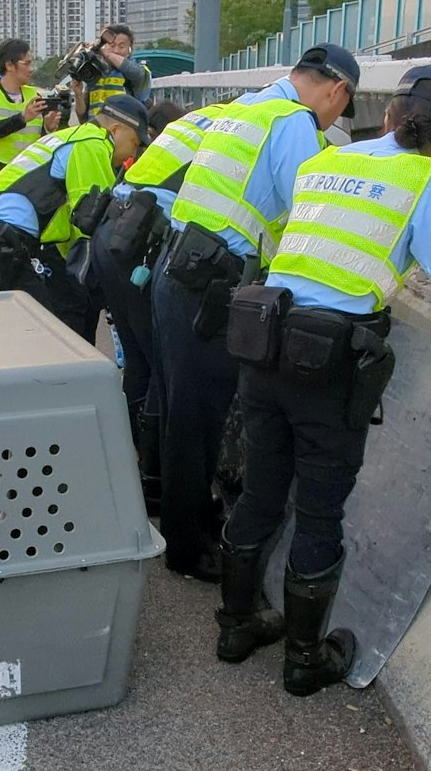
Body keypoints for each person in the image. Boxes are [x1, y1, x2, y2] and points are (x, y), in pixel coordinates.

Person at [212, 64, 431, 696]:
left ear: (387, 116)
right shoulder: (423, 182)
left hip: (265, 342)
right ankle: (305, 659)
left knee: (261, 492)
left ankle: (236, 627)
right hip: (326, 365)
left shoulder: (332, 161)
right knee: (321, 512)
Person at [150, 44, 356, 582]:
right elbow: (307, 211)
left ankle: (188, 522)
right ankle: (188, 549)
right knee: (198, 422)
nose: (333, 121)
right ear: (336, 91)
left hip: (179, 270)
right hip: (210, 287)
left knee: (181, 413)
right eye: (341, 108)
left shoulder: (246, 108)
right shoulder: (292, 123)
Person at [85, 99, 226, 512]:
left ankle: (135, 470)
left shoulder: (189, 130)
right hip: (139, 242)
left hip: (113, 231)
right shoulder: (233, 138)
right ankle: (154, 482)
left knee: (141, 362)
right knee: (162, 370)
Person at [0, 94, 152, 336]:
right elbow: (96, 222)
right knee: (60, 329)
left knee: (55, 314)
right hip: (7, 243)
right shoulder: (93, 143)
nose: (131, 155)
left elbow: (70, 227)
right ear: (115, 129)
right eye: (135, 143)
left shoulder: (71, 136)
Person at [0, 38, 62, 185]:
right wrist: (22, 118)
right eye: (26, 63)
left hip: (30, 175)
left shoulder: (34, 95)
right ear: (9, 65)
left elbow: (38, 139)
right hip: (0, 177)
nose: (31, 68)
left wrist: (48, 128)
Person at [73, 23, 151, 124]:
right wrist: (78, 93)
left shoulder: (138, 70)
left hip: (122, 132)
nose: (116, 50)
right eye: (112, 45)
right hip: (96, 133)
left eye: (121, 46)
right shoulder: (95, 75)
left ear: (129, 50)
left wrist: (106, 52)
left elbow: (133, 71)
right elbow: (82, 115)